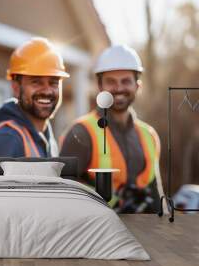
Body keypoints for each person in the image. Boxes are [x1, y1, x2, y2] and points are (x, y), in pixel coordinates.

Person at [60, 45, 165, 213]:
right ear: (99, 86)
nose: (118, 88)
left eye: (126, 81)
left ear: (137, 86)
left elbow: (156, 194)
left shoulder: (149, 135)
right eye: (111, 81)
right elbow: (62, 197)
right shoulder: (81, 133)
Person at [0, 37, 69, 157]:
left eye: (53, 82)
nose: (47, 91)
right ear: (16, 87)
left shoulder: (47, 138)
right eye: (36, 82)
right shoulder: (5, 140)